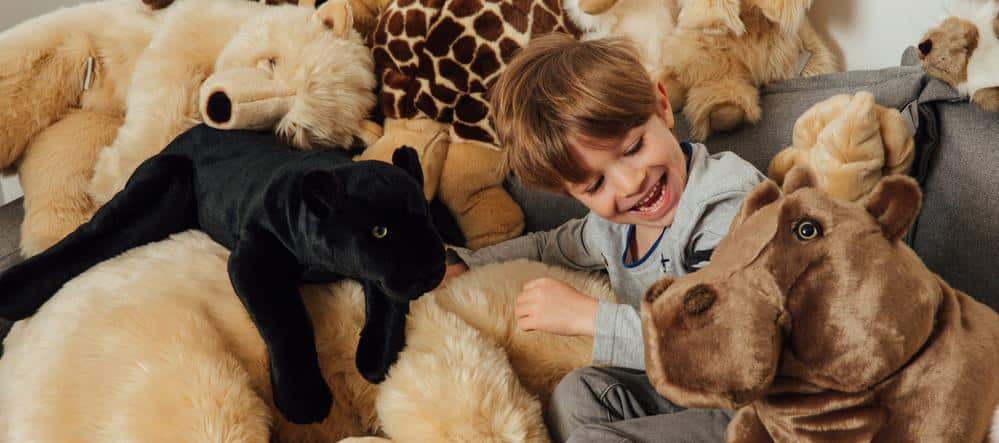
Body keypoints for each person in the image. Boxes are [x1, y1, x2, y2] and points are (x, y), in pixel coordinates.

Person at [444, 33, 765, 442]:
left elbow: (722, 346)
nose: (631, 183)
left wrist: (589, 318)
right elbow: (548, 245)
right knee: (580, 391)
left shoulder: (724, 203)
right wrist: (465, 262)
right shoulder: (613, 228)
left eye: (633, 148)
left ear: (661, 105)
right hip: (694, 399)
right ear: (571, 195)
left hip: (766, 408)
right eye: (596, 185)